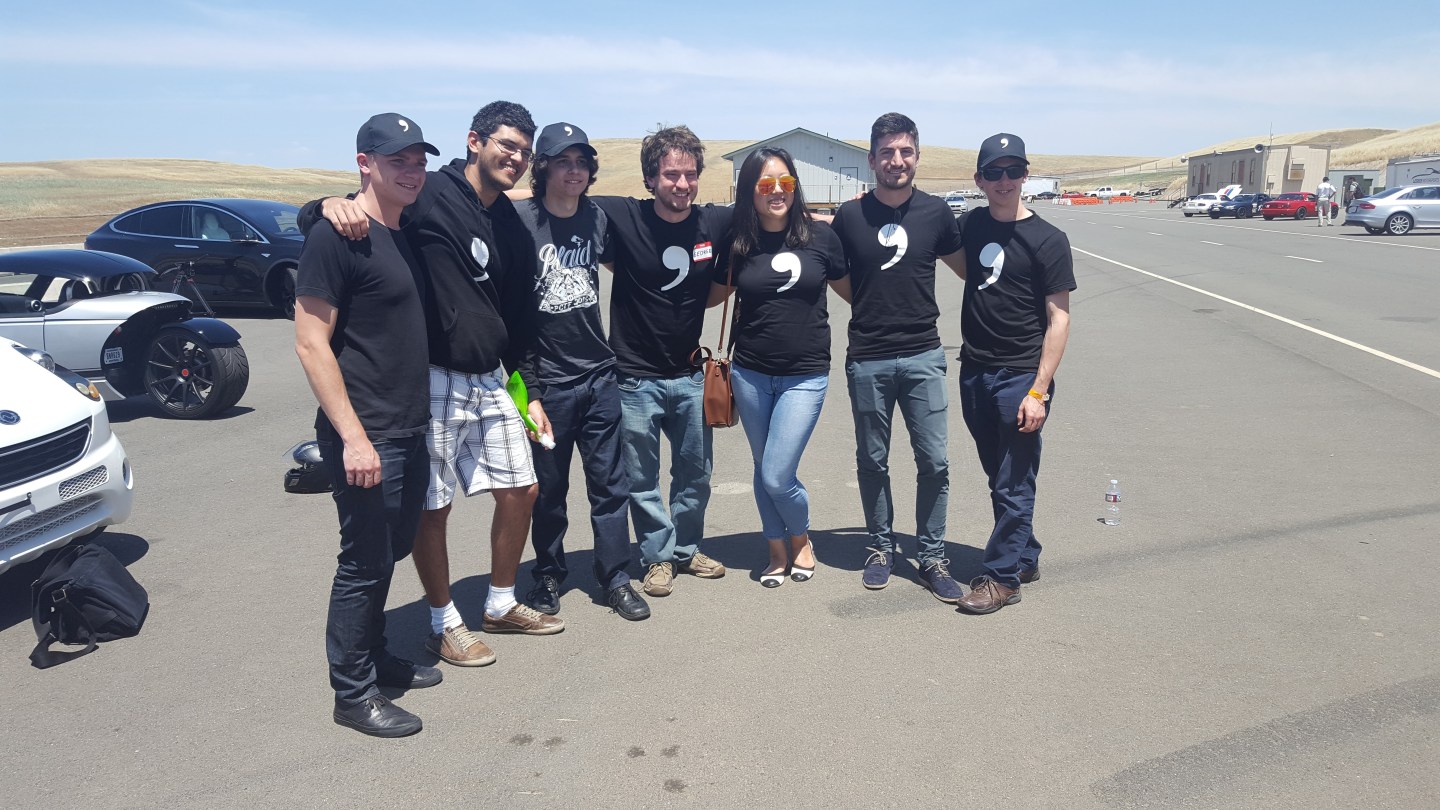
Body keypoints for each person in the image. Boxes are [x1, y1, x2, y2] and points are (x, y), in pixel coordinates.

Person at [299, 101, 562, 671]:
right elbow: (364, 214)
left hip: (491, 380)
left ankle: (500, 603)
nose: (516, 158)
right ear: (475, 141)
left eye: (524, 151)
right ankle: (444, 623)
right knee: (432, 508)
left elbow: (522, 322)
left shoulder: (512, 229)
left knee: (522, 488)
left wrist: (532, 393)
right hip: (434, 378)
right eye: (507, 145)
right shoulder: (431, 193)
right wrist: (321, 205)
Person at [294, 113, 441, 737]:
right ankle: (353, 694)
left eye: (418, 161)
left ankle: (375, 657)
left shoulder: (402, 229)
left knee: (391, 551)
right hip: (367, 431)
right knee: (363, 562)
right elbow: (310, 342)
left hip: (408, 426)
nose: (411, 171)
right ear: (364, 163)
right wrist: (353, 438)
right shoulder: (336, 237)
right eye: (397, 160)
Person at [513, 123, 650, 621]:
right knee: (547, 491)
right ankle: (548, 573)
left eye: (581, 162)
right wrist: (326, 206)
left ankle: (615, 576)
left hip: (599, 376)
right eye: (562, 161)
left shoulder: (597, 218)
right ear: (542, 167)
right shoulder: (519, 220)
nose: (574, 171)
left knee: (611, 485)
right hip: (544, 383)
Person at [830, 112, 967, 602]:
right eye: (887, 152)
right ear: (872, 160)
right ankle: (880, 548)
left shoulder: (936, 213)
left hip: (924, 355)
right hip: (868, 357)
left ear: (917, 157)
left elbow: (968, 271)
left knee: (935, 461)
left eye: (905, 151)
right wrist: (871, 303)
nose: (896, 160)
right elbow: (839, 277)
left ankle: (931, 557)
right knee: (873, 459)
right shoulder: (850, 217)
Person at [590, 126, 732, 598]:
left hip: (690, 375)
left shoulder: (713, 222)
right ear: (651, 178)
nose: (682, 184)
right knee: (642, 480)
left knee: (696, 475)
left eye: (690, 174)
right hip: (633, 379)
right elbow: (550, 197)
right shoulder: (623, 214)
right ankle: (657, 557)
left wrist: (844, 213)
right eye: (671, 175)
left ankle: (687, 549)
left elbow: (777, 211)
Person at [708, 148, 850, 587]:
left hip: (805, 374)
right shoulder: (738, 241)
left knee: (775, 472)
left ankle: (801, 538)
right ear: (749, 190)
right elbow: (709, 296)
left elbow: (857, 293)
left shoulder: (821, 237)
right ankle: (775, 548)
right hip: (750, 373)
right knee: (762, 464)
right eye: (766, 184)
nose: (777, 191)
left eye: (785, 183)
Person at [952, 133, 1075, 616]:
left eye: (1013, 171)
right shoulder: (969, 225)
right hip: (974, 372)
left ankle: (1002, 578)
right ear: (979, 180)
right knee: (998, 474)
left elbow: (1059, 319)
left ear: (1026, 175)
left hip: (1021, 376)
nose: (1004, 181)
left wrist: (1038, 392)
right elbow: (920, 231)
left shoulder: (1048, 240)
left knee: (1013, 480)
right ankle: (1025, 556)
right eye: (994, 172)